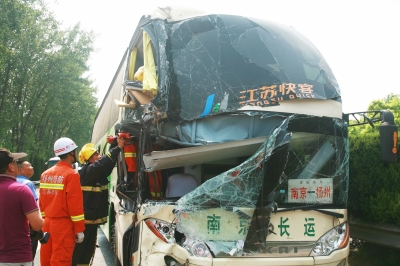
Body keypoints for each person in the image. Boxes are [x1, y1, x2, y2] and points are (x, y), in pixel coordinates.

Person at [72, 137, 125, 266]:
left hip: (91, 221)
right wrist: (118, 148)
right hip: (85, 222)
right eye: (96, 154)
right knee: (79, 253)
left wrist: (113, 145)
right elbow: (102, 164)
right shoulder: (87, 171)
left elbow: (107, 164)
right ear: (90, 159)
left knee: (87, 252)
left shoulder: (96, 172)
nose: (99, 156)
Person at [39, 137, 85, 266]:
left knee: (46, 259)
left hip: (47, 223)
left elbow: (42, 202)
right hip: (63, 226)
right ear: (71, 153)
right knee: (61, 260)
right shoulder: (72, 175)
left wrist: (44, 221)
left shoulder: (45, 174)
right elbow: (75, 205)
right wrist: (79, 229)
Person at [0, 148, 44, 266]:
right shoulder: (21, 190)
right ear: (11, 167)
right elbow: (37, 224)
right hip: (17, 258)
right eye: (15, 162)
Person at [17, 160, 40, 261]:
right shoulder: (28, 184)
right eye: (29, 166)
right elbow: (32, 209)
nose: (32, 167)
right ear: (20, 169)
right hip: (27, 229)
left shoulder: (10, 182)